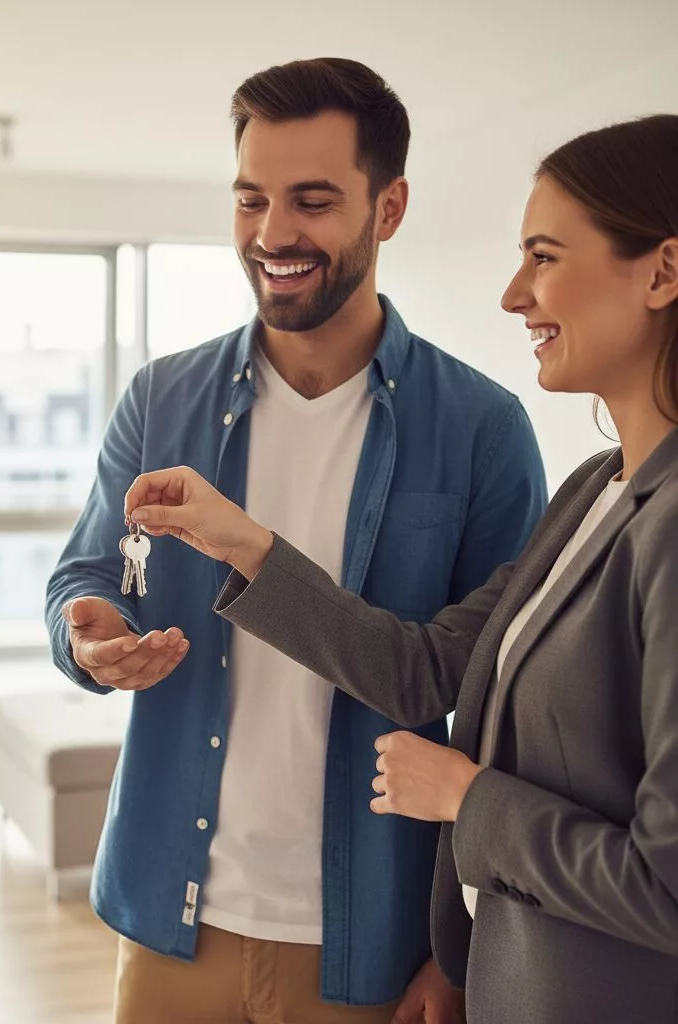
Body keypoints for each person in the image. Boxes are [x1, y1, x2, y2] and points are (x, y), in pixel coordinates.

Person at [124, 114, 678, 1024]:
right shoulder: (593, 489)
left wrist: (467, 801)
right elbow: (423, 668)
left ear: (661, 273)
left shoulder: (630, 504)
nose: (513, 294)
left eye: (543, 257)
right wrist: (244, 544)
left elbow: (665, 880)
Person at [46, 57, 547, 1024]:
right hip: (168, 912)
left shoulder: (482, 429)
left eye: (312, 202)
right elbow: (87, 569)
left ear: (388, 208)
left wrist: (457, 951)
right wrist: (86, 628)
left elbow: (501, 718)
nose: (273, 234)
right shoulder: (161, 398)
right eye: (251, 200)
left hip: (372, 936)